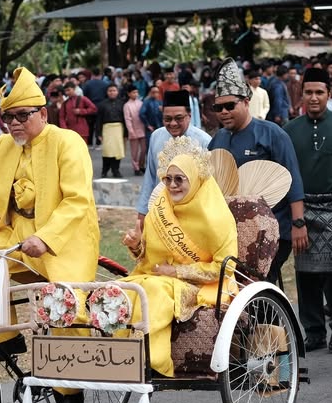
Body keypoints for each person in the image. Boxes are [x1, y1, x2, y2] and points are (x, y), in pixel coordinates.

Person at [0, 67, 100, 403]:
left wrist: (48, 237)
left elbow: (77, 201)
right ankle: (8, 339)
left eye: (23, 115)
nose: (15, 124)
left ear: (43, 113)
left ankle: (70, 390)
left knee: (63, 300)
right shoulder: (2, 147)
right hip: (18, 232)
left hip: (65, 238)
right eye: (8, 116)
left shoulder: (67, 142)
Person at [120, 138, 237, 377]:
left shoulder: (216, 218)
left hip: (203, 286)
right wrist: (136, 246)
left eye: (179, 179)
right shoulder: (160, 208)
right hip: (157, 277)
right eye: (168, 179)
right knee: (120, 288)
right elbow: (149, 259)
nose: (172, 185)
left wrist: (176, 272)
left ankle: (156, 360)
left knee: (153, 289)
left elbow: (225, 268)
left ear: (194, 180)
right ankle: (115, 352)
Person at [284, 68, 332, 353]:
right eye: (309, 92)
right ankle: (314, 331)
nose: (314, 98)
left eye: (320, 92)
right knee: (305, 273)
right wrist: (295, 218)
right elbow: (285, 174)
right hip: (303, 208)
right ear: (301, 95)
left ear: (329, 94)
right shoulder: (290, 130)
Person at [208, 58, 305, 285]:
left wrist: (298, 224)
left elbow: (293, 181)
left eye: (230, 106)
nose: (223, 112)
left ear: (246, 101)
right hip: (228, 233)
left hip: (271, 229)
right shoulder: (218, 139)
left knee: (259, 285)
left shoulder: (272, 134)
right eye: (218, 108)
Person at [135, 90, 211, 225]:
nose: (173, 123)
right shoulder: (156, 137)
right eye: (167, 119)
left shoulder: (204, 141)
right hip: (160, 212)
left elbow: (209, 186)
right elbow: (150, 177)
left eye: (179, 118)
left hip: (192, 215)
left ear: (189, 115)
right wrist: (142, 212)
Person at [95, 83, 126, 177]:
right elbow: (98, 120)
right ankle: (104, 171)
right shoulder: (102, 104)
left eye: (114, 90)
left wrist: (126, 133)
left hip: (118, 128)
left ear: (117, 92)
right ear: (107, 92)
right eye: (110, 91)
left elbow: (125, 119)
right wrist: (98, 133)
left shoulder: (122, 103)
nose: (112, 92)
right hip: (107, 129)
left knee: (118, 151)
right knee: (107, 151)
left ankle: (116, 170)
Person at [123, 85, 146, 176]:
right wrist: (131, 131)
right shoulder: (127, 105)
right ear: (129, 94)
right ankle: (136, 168)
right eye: (133, 92)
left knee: (144, 149)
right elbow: (127, 119)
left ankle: (141, 165)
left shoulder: (141, 103)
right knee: (134, 151)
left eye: (136, 92)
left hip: (142, 129)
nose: (135, 94)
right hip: (133, 130)